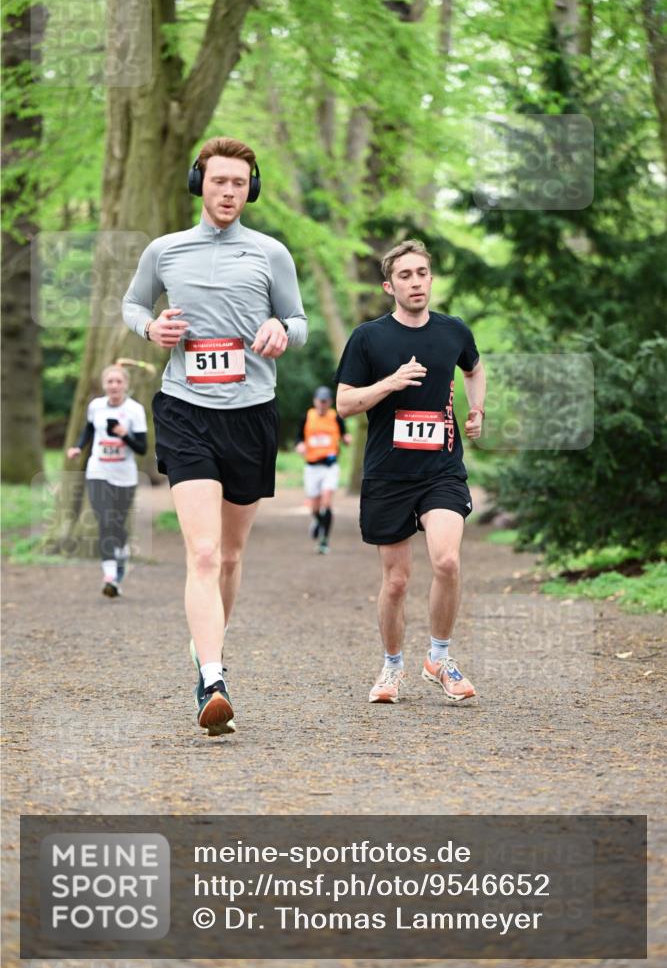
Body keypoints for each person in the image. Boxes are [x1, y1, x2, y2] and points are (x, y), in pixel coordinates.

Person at [122, 136, 307, 737]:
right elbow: (131, 305)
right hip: (185, 409)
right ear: (198, 181)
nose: (228, 192)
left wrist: (283, 327)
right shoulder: (165, 250)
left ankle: (207, 646)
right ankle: (212, 675)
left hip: (251, 412)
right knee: (201, 552)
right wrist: (152, 326)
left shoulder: (271, 253)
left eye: (238, 183)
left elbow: (299, 322)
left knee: (229, 555)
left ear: (250, 189)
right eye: (218, 180)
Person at [335, 240, 486, 705]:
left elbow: (475, 369)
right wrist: (390, 383)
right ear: (389, 285)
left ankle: (439, 658)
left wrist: (477, 408)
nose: (416, 281)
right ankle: (392, 666)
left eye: (422, 273)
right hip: (387, 473)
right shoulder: (368, 338)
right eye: (405, 275)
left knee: (447, 561)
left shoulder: (453, 331)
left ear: (430, 279)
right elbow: (344, 404)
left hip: (441, 469)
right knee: (396, 580)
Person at [67, 363, 147, 597]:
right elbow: (89, 430)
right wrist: (78, 447)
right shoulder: (96, 406)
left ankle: (122, 556)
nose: (114, 386)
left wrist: (125, 435)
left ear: (126, 385)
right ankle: (110, 576)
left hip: (125, 476)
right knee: (104, 519)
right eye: (110, 382)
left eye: (118, 382)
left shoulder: (134, 410)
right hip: (98, 471)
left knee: (118, 524)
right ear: (104, 385)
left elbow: (142, 448)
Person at [295, 385, 351, 554]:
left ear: (330, 402)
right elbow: (298, 437)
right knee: (313, 507)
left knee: (326, 503)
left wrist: (347, 439)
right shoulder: (307, 416)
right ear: (315, 401)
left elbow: (344, 435)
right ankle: (318, 522)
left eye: (325, 402)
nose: (322, 405)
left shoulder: (336, 417)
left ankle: (324, 541)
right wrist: (299, 445)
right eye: (320, 401)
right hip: (312, 467)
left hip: (329, 466)